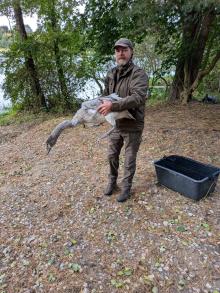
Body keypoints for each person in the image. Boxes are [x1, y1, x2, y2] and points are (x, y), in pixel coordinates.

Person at [98, 38, 148, 202]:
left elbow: (138, 97)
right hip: (116, 123)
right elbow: (105, 96)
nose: (121, 53)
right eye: (118, 50)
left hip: (133, 124)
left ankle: (126, 188)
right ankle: (112, 182)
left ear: (131, 52)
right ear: (115, 53)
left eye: (124, 50)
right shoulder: (111, 73)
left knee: (129, 159)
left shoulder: (138, 74)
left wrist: (112, 105)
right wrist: (93, 108)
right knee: (112, 155)